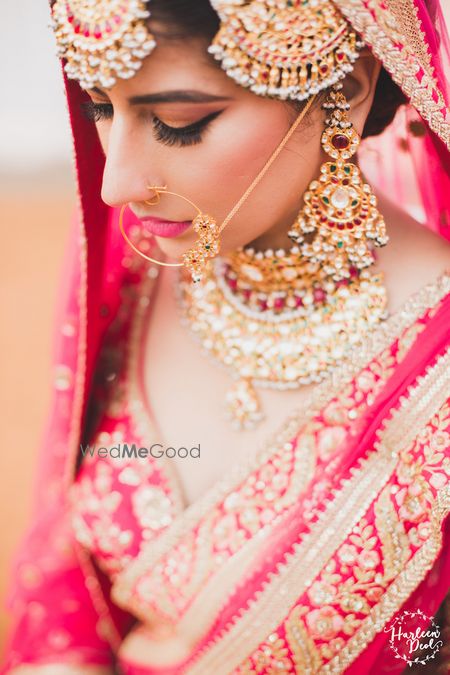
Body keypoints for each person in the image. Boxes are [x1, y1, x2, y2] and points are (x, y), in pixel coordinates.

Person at [2, 0, 450, 673]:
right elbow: (63, 567)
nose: (116, 183)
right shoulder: (141, 257)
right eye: (100, 107)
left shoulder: (436, 364)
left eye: (180, 123)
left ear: (345, 88)